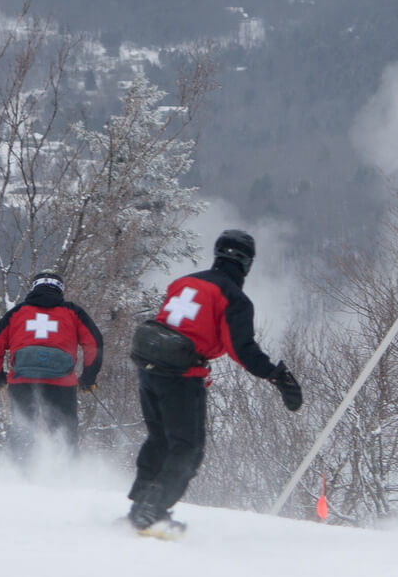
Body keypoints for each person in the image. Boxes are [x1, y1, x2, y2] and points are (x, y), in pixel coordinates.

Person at [127, 229, 303, 537]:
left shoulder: (184, 282)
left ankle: (140, 503)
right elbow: (241, 348)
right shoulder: (233, 298)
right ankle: (152, 513)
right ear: (247, 263)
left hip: (147, 366)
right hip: (181, 376)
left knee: (159, 439)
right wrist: (275, 375)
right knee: (187, 448)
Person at [0, 271, 103, 462]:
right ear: (60, 290)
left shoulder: (18, 313)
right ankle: (67, 473)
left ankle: (19, 472)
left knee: (23, 427)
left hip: (22, 380)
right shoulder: (73, 312)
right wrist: (88, 378)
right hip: (62, 382)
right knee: (64, 429)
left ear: (34, 288)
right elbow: (94, 343)